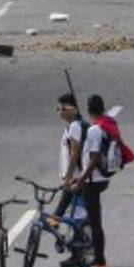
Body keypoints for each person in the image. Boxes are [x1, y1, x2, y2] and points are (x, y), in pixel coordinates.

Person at [71, 95, 112, 267]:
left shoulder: (94, 130)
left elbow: (94, 158)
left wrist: (80, 180)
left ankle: (100, 261)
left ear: (89, 110)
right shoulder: (99, 126)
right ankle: (82, 253)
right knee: (91, 218)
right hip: (95, 179)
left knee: (95, 222)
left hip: (93, 181)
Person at [55, 94, 85, 225]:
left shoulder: (75, 127)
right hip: (71, 180)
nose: (61, 112)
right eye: (59, 109)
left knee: (78, 215)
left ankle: (82, 242)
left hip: (75, 180)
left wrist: (68, 178)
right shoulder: (70, 127)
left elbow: (75, 154)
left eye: (64, 108)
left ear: (74, 109)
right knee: (70, 215)